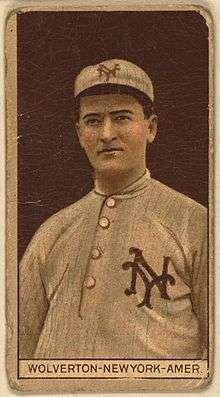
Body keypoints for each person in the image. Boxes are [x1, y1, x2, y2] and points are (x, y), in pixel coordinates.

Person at [19, 59, 207, 359]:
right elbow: (14, 357)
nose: (107, 134)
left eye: (121, 118)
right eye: (93, 121)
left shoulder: (196, 223)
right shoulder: (52, 232)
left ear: (151, 128)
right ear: (80, 133)